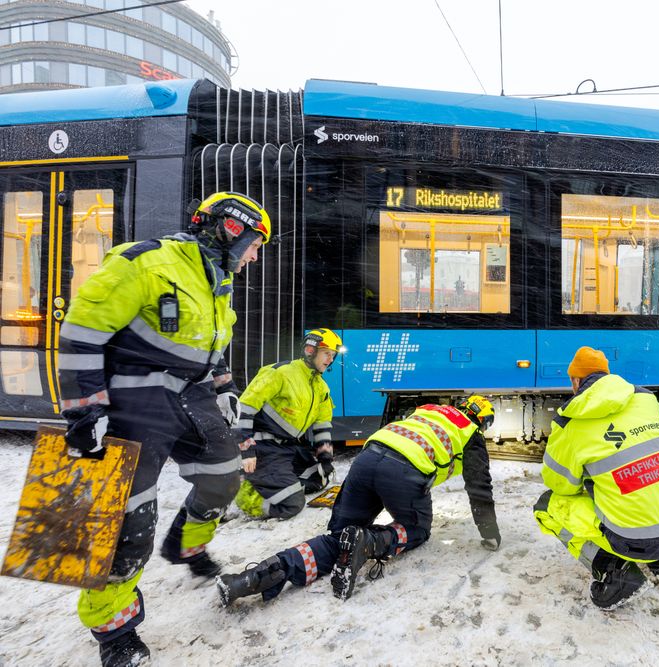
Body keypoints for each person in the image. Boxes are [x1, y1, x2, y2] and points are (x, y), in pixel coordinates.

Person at [58, 192, 270, 667]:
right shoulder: (145, 262)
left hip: (189, 395)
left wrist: (225, 387)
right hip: (135, 395)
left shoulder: (217, 282)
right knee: (125, 519)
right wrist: (85, 412)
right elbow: (80, 332)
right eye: (255, 243)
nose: (256, 255)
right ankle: (115, 632)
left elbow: (207, 347)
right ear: (231, 230)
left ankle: (185, 547)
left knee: (223, 475)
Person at [217, 395, 501, 605]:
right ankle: (369, 542)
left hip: (366, 460)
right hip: (405, 472)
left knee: (339, 539)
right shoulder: (471, 434)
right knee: (417, 530)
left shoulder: (429, 410)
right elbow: (480, 490)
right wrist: (490, 534)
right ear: (483, 421)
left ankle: (253, 578)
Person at [534, 346, 659, 610]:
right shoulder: (646, 399)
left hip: (640, 537)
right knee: (648, 477)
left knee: (547, 505)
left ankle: (614, 569)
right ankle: (656, 561)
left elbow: (560, 484)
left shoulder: (570, 421)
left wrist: (589, 481)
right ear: (606, 375)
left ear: (576, 381)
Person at [233, 328, 343, 519]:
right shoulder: (280, 373)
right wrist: (246, 450)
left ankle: (275, 482)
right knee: (292, 504)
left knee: (319, 477)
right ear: (310, 350)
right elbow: (243, 409)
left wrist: (325, 459)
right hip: (263, 448)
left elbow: (322, 427)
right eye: (327, 353)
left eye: (332, 355)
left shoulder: (321, 388)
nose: (330, 359)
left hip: (288, 449)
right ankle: (244, 492)